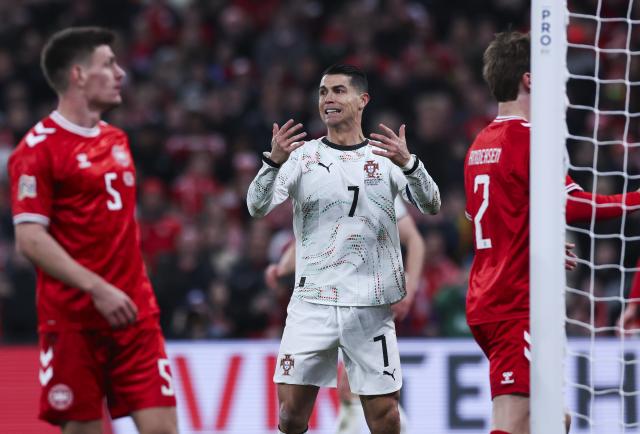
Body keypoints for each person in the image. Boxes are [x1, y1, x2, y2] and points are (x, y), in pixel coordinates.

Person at [247, 63, 440, 434]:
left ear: (362, 100)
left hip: (370, 306)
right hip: (312, 303)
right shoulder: (302, 157)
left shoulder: (386, 158)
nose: (328, 99)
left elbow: (431, 205)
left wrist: (409, 163)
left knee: (386, 417)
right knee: (290, 416)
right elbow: (256, 207)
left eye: (338, 91)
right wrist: (272, 162)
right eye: (323, 92)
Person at [464, 31, 640, 434]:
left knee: (555, 420)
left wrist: (536, 243)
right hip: (513, 302)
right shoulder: (529, 138)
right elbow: (572, 204)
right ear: (530, 79)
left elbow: (491, 218)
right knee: (513, 420)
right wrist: (635, 199)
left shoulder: (480, 143)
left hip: (488, 293)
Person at [8, 27, 177, 434]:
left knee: (163, 430)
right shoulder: (36, 149)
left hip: (134, 314)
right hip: (74, 322)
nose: (120, 73)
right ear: (79, 75)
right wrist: (98, 289)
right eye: (108, 64)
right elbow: (29, 239)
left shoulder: (118, 139)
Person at [265, 196, 424, 434]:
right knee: (349, 392)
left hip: (368, 301)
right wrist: (282, 268)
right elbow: (309, 238)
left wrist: (409, 290)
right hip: (325, 304)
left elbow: (413, 240)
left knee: (357, 391)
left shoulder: (376, 186)